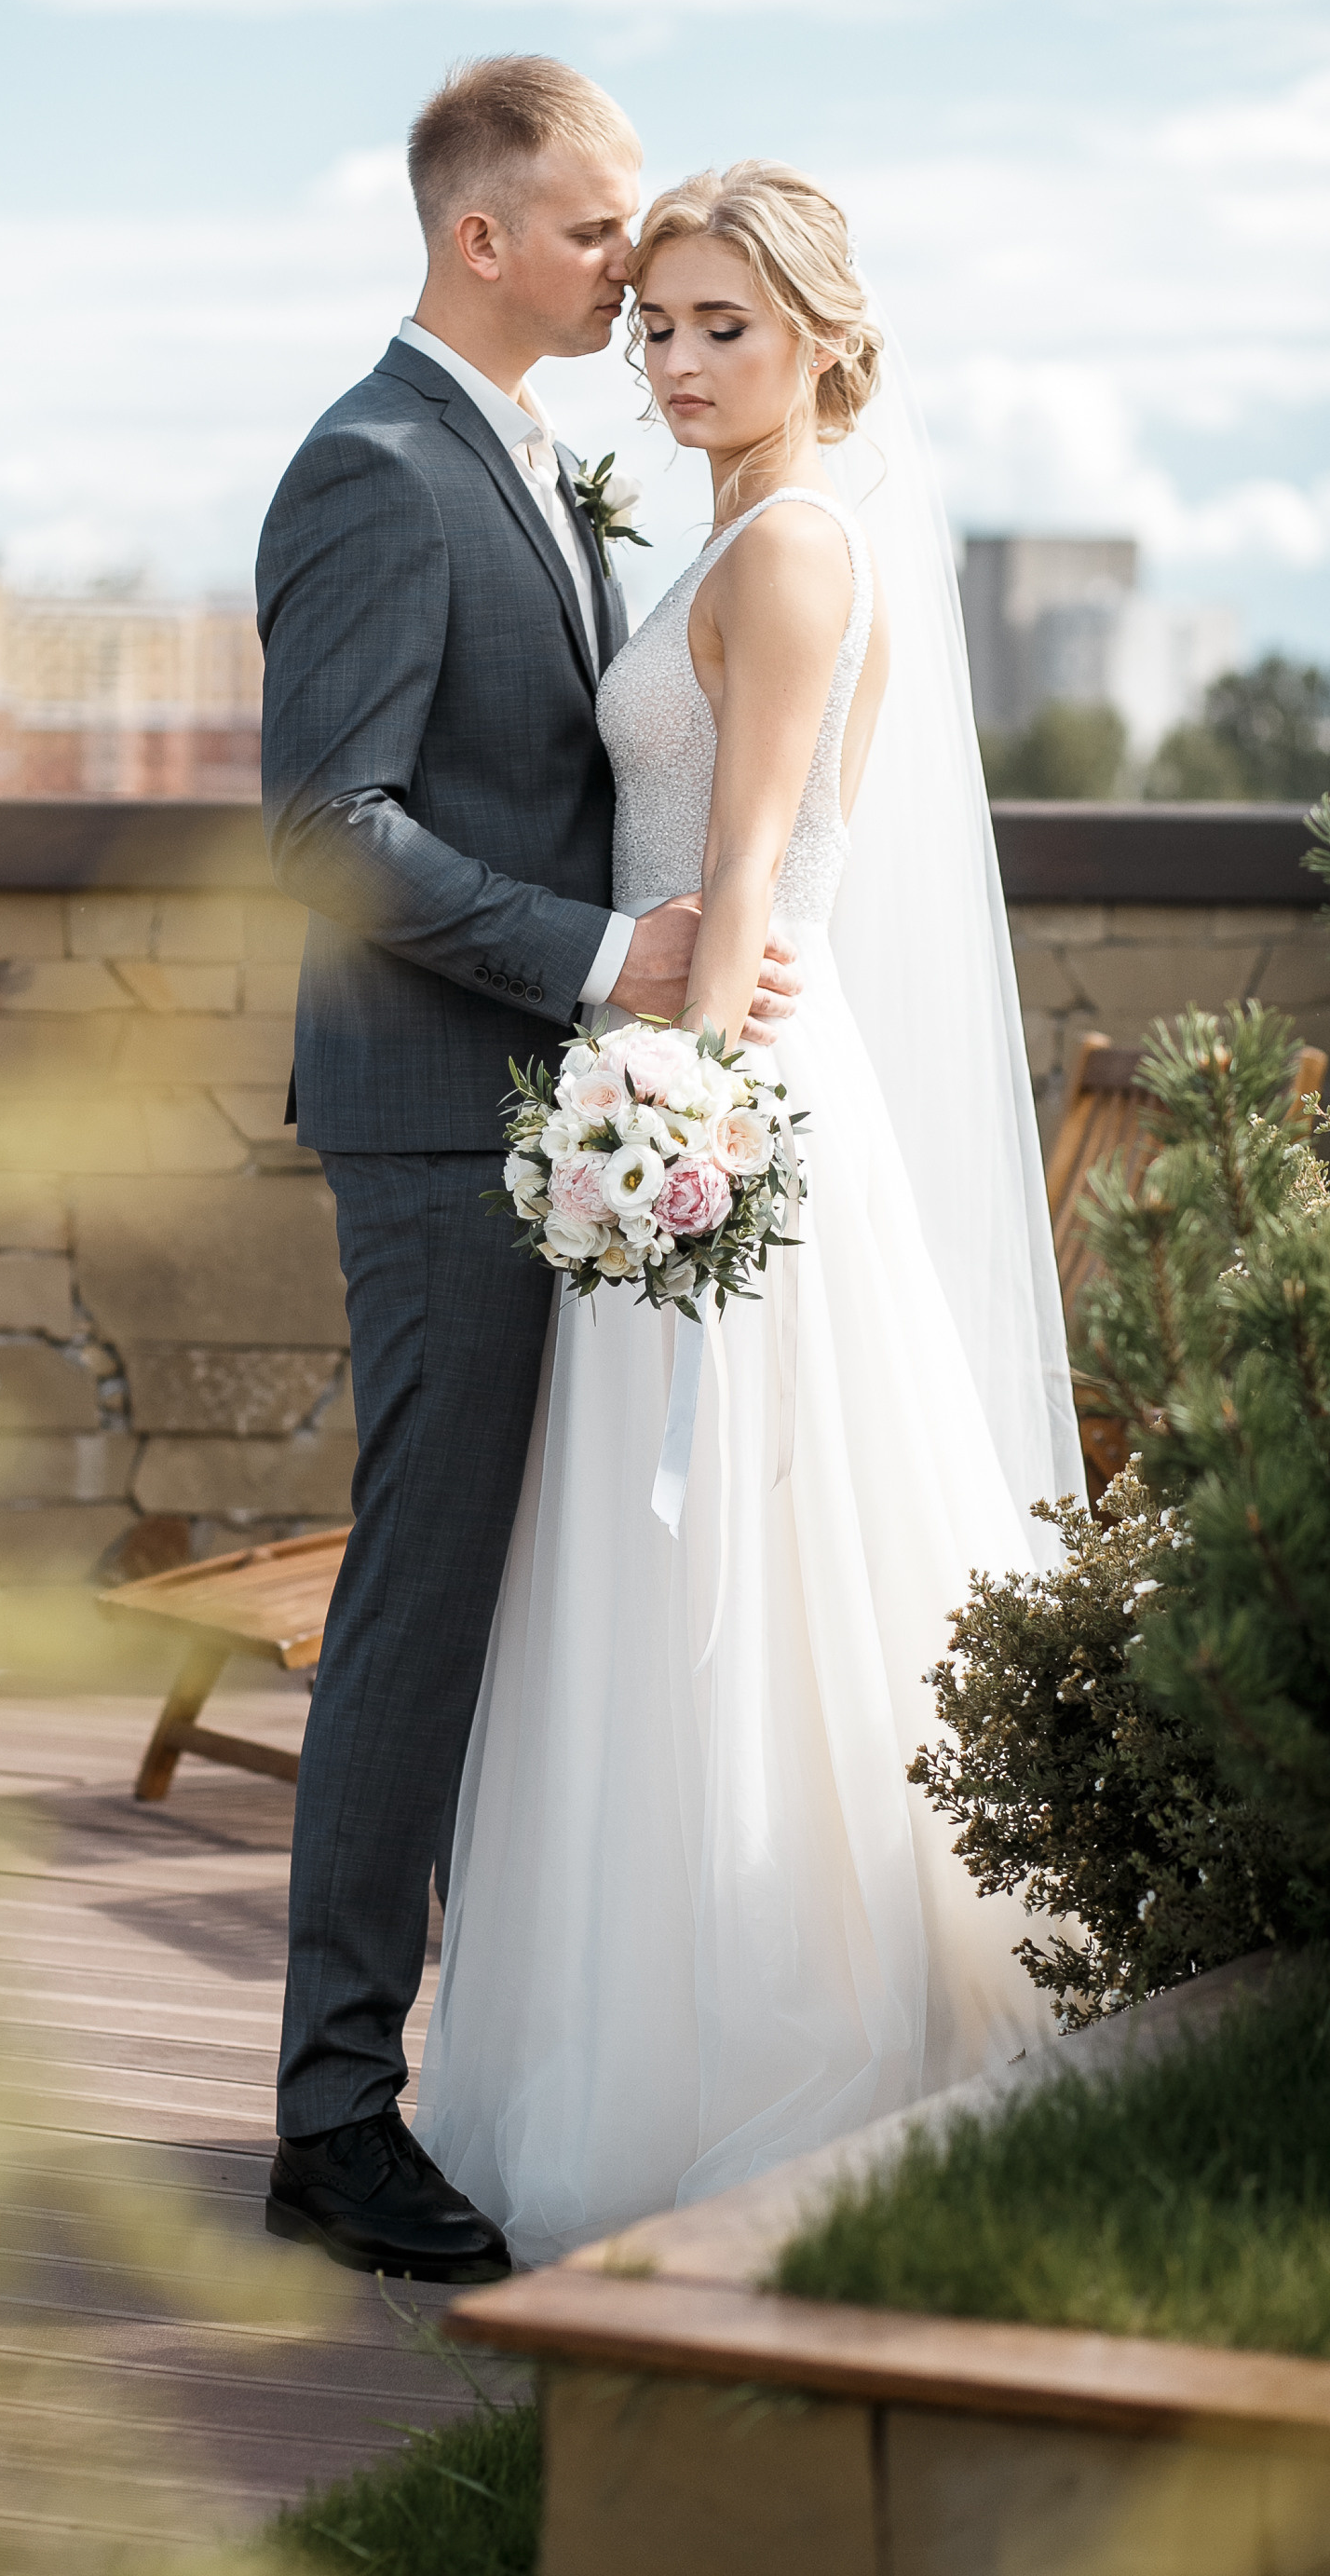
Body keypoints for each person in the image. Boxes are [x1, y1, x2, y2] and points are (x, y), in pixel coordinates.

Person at [413, 160, 1083, 2266]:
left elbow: (762, 864)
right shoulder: (725, 521)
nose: (683, 362)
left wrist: (674, 1134)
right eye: (663, 327)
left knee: (757, 1569)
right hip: (686, 1086)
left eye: (727, 326)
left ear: (818, 333)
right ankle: (643, 2031)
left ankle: (767, 2052)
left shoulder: (793, 547)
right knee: (670, 1577)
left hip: (725, 1119)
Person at [255, 61, 807, 2282]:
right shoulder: (377, 469)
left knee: (516, 1601)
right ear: (483, 238)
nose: (631, 268)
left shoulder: (521, 462)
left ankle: (492, 2054)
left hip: (552, 1121)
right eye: (599, 237)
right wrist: (606, 959)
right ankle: (329, 2116)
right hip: (434, 1118)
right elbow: (329, 833)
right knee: (425, 1593)